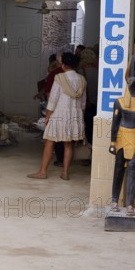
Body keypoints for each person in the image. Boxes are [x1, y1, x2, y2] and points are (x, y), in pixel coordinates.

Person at [27, 52, 86, 180]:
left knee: (49, 142)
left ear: (63, 65)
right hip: (75, 115)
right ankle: (65, 173)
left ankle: (42, 172)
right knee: (68, 144)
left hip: (59, 114)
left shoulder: (59, 78)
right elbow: (83, 103)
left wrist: (48, 116)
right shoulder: (82, 80)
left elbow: (53, 100)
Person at [109, 57, 135, 216]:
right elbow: (115, 123)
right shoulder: (119, 102)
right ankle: (114, 200)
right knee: (119, 167)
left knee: (133, 167)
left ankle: (130, 205)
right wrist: (113, 142)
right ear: (127, 82)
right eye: (132, 80)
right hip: (121, 134)